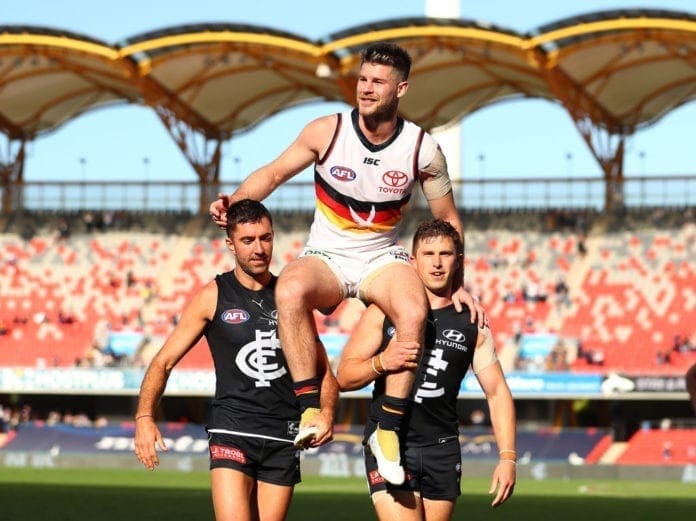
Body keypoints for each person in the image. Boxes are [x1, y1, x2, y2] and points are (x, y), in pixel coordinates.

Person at [209, 42, 484, 484]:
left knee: (414, 311)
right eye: (362, 79)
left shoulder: (422, 149)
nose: (366, 88)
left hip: (382, 255)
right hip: (327, 256)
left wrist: (456, 286)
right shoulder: (326, 131)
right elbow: (275, 173)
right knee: (290, 289)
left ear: (401, 88)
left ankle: (388, 431)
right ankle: (310, 409)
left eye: (378, 81)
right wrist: (235, 202)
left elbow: (447, 220)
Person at [134, 199, 338, 521]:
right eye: (247, 240)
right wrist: (144, 417)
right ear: (230, 244)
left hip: (282, 433)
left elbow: (322, 369)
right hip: (232, 429)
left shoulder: (291, 296)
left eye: (265, 238)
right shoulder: (213, 295)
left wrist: (325, 412)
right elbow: (163, 362)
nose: (259, 248)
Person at [336, 219, 516, 521]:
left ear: (458, 260)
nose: (436, 263)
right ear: (412, 260)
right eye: (428, 254)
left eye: (445, 254)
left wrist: (508, 457)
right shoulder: (383, 311)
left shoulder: (472, 323)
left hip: (442, 449)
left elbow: (497, 393)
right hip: (391, 444)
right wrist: (382, 362)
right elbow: (344, 375)